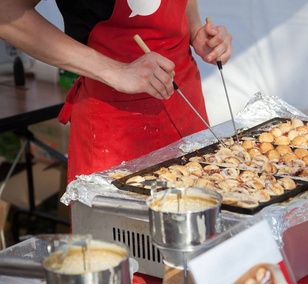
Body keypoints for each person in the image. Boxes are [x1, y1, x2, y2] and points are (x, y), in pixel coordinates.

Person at [0, 0, 233, 183]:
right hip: (114, 120)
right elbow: (6, 11)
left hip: (187, 104)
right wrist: (114, 71)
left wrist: (195, 30)